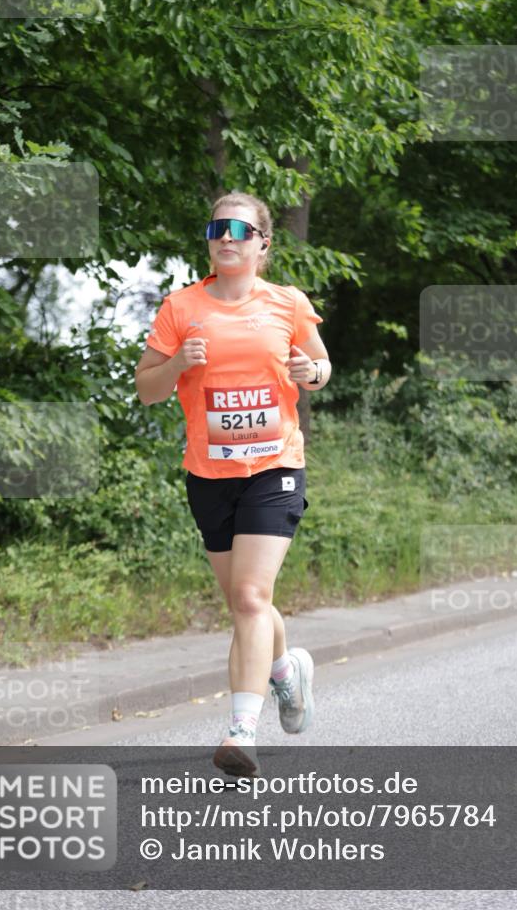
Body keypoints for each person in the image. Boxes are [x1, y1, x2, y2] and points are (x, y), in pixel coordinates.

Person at [135, 191, 331, 777]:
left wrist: (311, 371)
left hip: (275, 467)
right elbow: (147, 390)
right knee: (248, 602)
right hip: (210, 475)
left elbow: (321, 366)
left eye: (241, 230)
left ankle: (241, 732)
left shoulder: (287, 303)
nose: (227, 237)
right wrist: (177, 364)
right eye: (218, 227)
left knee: (249, 597)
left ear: (262, 243)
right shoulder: (181, 308)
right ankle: (285, 671)